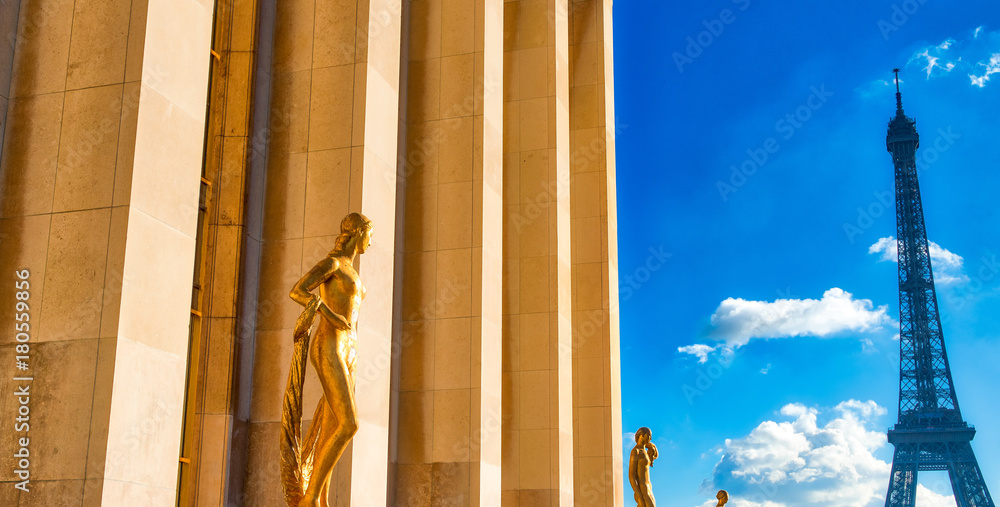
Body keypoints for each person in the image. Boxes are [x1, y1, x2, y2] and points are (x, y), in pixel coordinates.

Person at [282, 212, 373, 507]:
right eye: (369, 235)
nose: (370, 242)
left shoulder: (353, 271)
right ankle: (309, 499)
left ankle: (320, 499)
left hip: (348, 350)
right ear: (358, 233)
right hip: (328, 345)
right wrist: (328, 313)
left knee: (331, 428)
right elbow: (298, 290)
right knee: (349, 424)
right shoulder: (332, 264)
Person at [628, 426, 658, 507]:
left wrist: (651, 448)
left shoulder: (644, 452)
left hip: (649, 489)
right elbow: (632, 476)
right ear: (642, 435)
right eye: (649, 435)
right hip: (643, 490)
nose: (650, 438)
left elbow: (654, 455)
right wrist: (639, 496)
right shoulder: (635, 451)